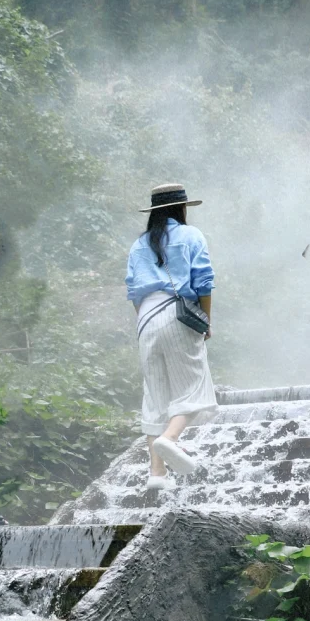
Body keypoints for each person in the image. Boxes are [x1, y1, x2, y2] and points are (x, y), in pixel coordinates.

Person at [125, 183, 216, 486]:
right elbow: (203, 282)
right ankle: (170, 438)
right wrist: (206, 321)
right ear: (182, 208)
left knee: (155, 394)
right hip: (178, 313)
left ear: (154, 213)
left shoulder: (139, 245)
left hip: (146, 320)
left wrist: (147, 325)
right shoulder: (191, 236)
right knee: (194, 385)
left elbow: (133, 291)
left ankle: (157, 473)